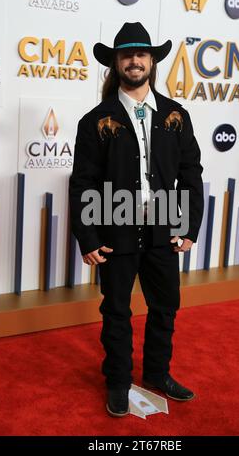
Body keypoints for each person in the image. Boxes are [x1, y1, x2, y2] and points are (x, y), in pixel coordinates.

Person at [69, 22, 204, 417]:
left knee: (165, 307)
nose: (134, 60)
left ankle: (158, 374)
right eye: (126, 54)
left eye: (141, 54)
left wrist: (189, 226)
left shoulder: (177, 115)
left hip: (164, 228)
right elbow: (83, 182)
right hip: (115, 228)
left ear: (152, 61)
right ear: (115, 63)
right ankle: (118, 381)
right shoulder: (95, 120)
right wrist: (89, 238)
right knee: (116, 310)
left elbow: (191, 173)